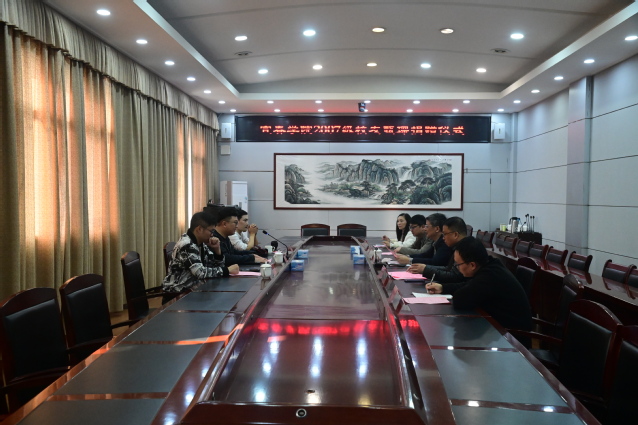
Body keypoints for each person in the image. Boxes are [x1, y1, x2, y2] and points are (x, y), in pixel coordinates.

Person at [425, 236, 533, 337]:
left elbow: (460, 300)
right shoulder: (491, 265)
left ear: (472, 265)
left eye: (458, 264)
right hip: (497, 328)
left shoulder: (489, 276)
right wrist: (443, 287)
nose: (457, 268)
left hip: (511, 337)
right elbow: (469, 285)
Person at [162, 212, 240, 303]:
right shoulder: (187, 245)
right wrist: (227, 270)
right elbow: (200, 273)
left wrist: (217, 250)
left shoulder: (201, 243)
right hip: (178, 295)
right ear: (199, 229)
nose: (212, 235)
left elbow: (215, 266)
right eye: (211, 231)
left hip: (195, 290)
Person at [407, 216, 467, 283]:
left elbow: (455, 277)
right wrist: (425, 268)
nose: (443, 238)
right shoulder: (457, 246)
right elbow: (449, 269)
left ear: (455, 235)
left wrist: (426, 269)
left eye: (445, 234)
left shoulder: (465, 249)